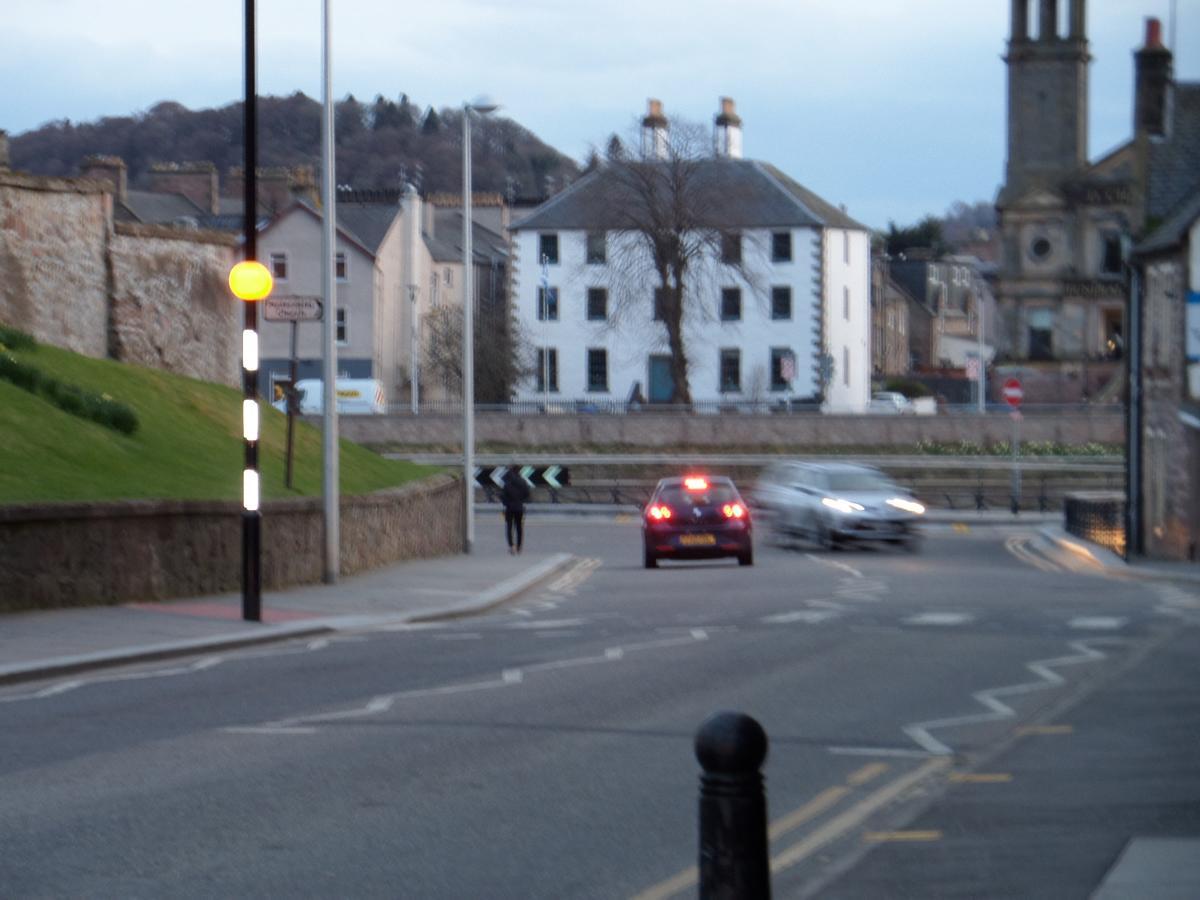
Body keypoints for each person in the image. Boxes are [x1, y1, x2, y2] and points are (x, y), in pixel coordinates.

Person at [500, 469, 531, 554]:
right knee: (519, 527)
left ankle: (511, 546)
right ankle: (519, 546)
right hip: (520, 508)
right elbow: (528, 494)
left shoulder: (507, 484)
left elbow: (503, 496)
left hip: (509, 509)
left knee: (509, 527)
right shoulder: (523, 482)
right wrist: (522, 501)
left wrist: (506, 504)